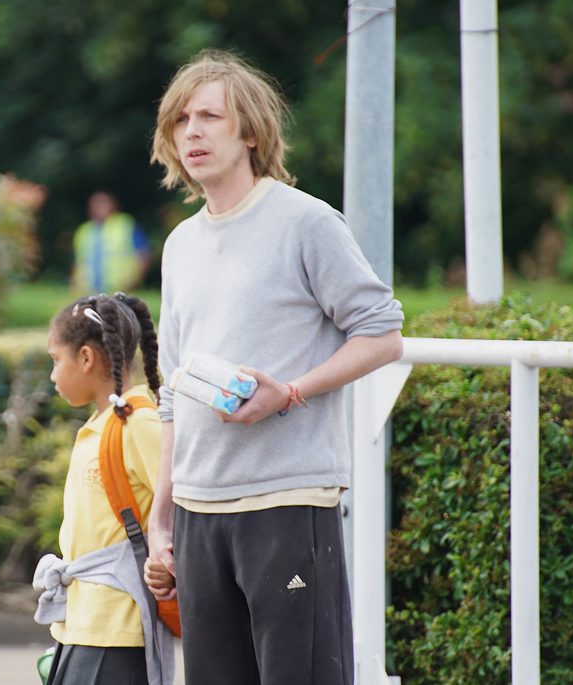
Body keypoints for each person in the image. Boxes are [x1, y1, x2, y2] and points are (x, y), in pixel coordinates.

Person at [142, 49, 405, 685]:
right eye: (181, 120)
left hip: (288, 499)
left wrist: (288, 392)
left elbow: (383, 334)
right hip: (200, 511)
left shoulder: (306, 222)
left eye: (210, 117)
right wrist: (161, 515)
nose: (192, 132)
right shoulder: (180, 245)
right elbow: (173, 390)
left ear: (251, 132)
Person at [33, 292, 174, 685]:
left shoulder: (138, 423)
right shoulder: (104, 424)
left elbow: (181, 507)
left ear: (85, 358)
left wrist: (168, 565)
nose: (53, 374)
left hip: (117, 627)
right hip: (81, 624)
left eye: (56, 360)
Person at [71, 192, 151, 293]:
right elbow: (78, 262)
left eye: (104, 203)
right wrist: (74, 286)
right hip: (87, 291)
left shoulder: (125, 224)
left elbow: (143, 254)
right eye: (97, 203)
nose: (100, 207)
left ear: (114, 205)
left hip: (120, 290)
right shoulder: (84, 230)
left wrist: (133, 281)